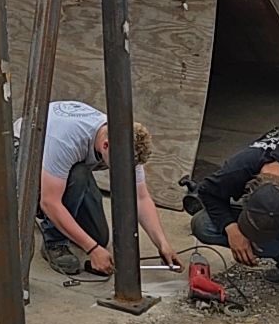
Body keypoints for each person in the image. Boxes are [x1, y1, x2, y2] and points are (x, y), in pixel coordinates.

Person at [17, 99, 181, 277]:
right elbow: (50, 202)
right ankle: (54, 241)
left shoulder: (126, 146)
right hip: (24, 149)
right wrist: (92, 249)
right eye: (120, 167)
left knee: (99, 237)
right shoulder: (68, 141)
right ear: (106, 145)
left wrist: (163, 244)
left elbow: (140, 198)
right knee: (77, 176)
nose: (123, 173)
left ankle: (63, 214)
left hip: (64, 163)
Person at [191, 134, 279, 308]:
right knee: (204, 225)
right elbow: (207, 192)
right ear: (248, 195)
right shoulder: (237, 170)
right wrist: (231, 229)